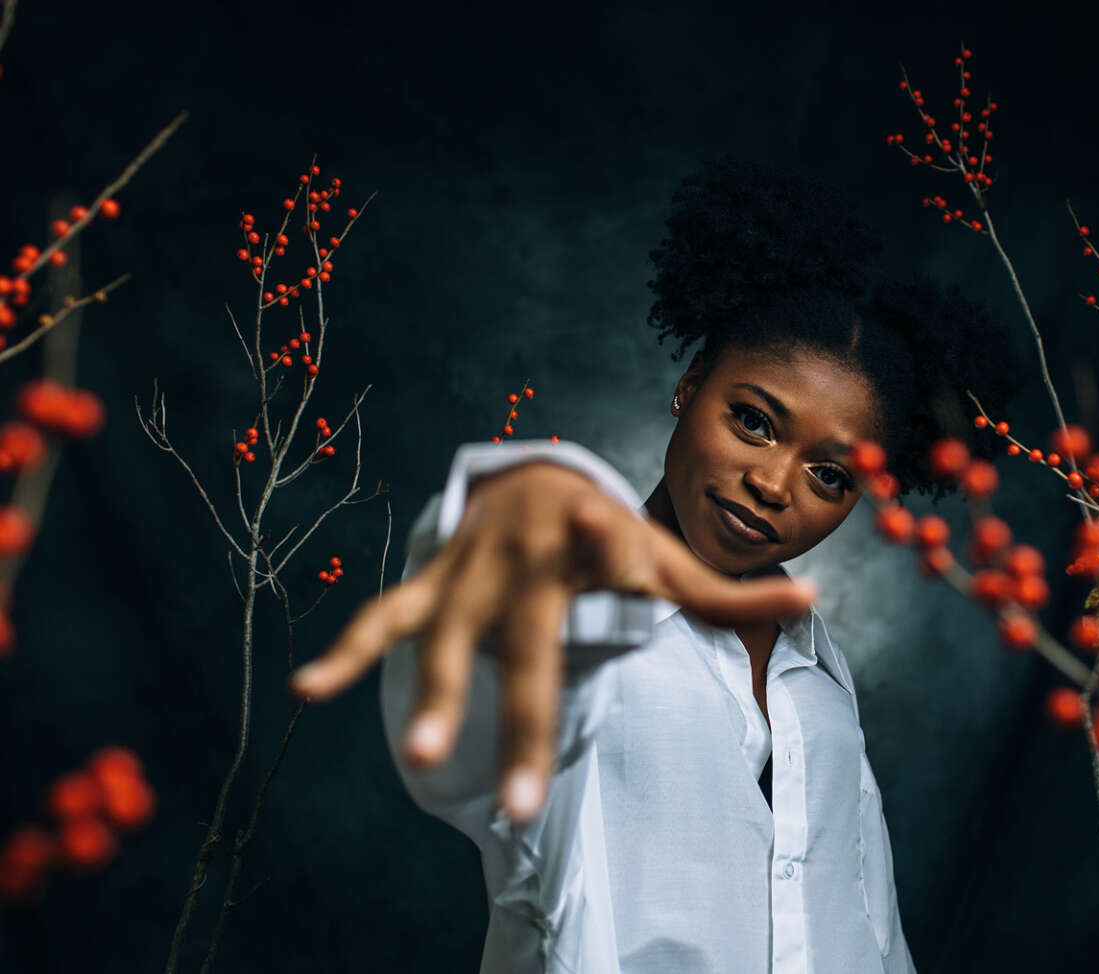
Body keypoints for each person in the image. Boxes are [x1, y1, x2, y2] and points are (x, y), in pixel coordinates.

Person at [288, 157, 1023, 972]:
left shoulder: (821, 674)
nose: (774, 484)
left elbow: (868, 923)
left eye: (830, 475)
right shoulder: (562, 602)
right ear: (690, 383)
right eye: (752, 420)